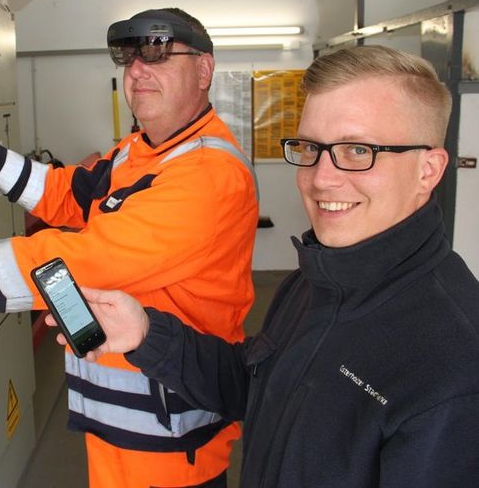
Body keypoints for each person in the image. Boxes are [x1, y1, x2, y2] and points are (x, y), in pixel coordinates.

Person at [0, 8, 259, 488]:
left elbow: (77, 265)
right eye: (129, 57)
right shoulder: (140, 150)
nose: (139, 69)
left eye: (158, 52)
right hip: (122, 427)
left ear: (204, 69)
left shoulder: (208, 174)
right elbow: (69, 192)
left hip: (168, 442)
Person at [50, 45, 479, 487]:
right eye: (311, 147)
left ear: (429, 169)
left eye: (357, 150)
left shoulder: (455, 368)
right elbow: (256, 387)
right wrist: (145, 334)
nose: (321, 177)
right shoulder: (315, 282)